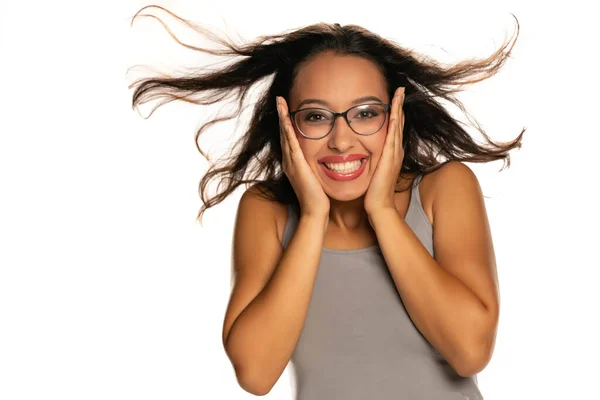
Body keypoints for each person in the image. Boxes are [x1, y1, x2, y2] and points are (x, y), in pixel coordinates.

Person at [129, 5, 524, 399]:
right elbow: (256, 374)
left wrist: (382, 211)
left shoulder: (444, 189)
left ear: (397, 116)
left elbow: (470, 352)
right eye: (316, 117)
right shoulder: (266, 209)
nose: (341, 139)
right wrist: (313, 215)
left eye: (366, 113)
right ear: (287, 125)